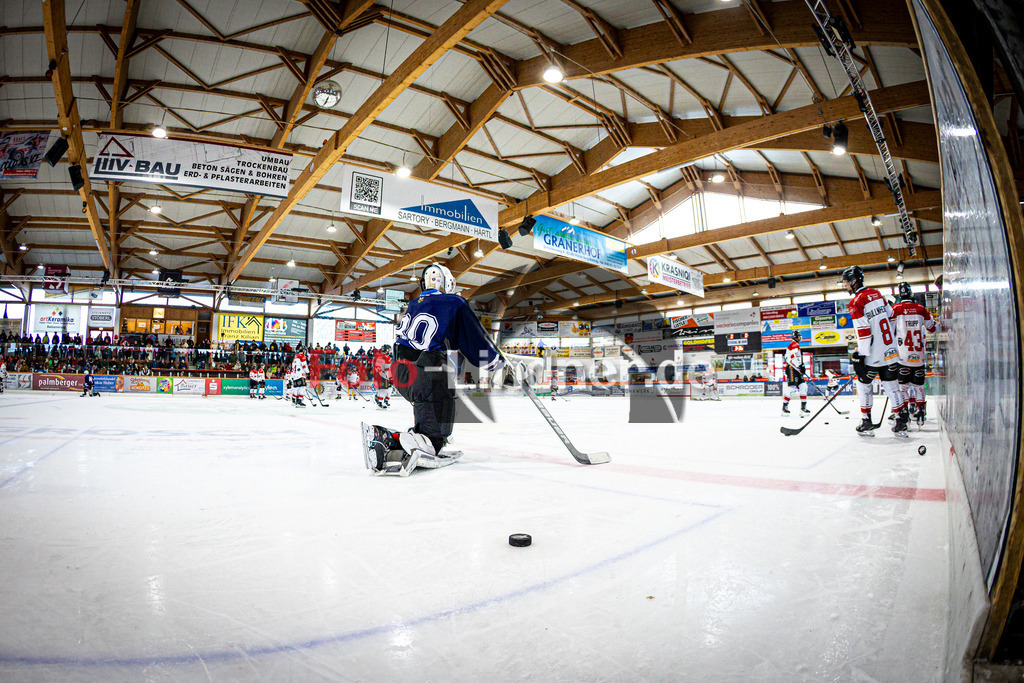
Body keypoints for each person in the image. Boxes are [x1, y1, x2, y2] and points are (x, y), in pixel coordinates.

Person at [362, 263, 507, 477]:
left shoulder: (414, 304)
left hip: (401, 371)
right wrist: (495, 361)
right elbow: (473, 338)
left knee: (427, 416)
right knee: (436, 434)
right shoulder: (454, 302)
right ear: (446, 283)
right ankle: (388, 438)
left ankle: (394, 445)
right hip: (428, 369)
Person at [841, 265, 909, 436]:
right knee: (892, 386)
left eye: (846, 282)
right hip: (889, 350)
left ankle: (866, 421)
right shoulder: (877, 294)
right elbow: (891, 315)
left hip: (873, 354)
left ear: (854, 281)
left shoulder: (855, 302)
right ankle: (901, 421)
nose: (845, 285)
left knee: (863, 385)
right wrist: (888, 341)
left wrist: (861, 355)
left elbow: (863, 331)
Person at [892, 281, 936, 425]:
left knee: (902, 387)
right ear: (911, 293)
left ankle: (904, 413)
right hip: (919, 356)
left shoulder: (895, 309)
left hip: (903, 357)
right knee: (919, 386)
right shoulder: (921, 309)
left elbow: (889, 329)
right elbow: (932, 328)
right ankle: (921, 411)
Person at [781, 331, 809, 416]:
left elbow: (796, 358)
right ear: (797, 337)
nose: (800, 338)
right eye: (799, 336)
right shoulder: (794, 344)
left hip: (796, 369)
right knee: (792, 388)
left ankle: (803, 408)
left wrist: (801, 366)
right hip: (792, 368)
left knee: (803, 386)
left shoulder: (795, 344)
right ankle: (784, 408)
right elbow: (794, 356)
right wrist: (800, 365)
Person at [372, 345, 392, 410]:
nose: (390, 351)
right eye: (389, 349)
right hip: (381, 376)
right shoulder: (380, 356)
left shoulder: (387, 357)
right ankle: (379, 402)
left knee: (389, 389)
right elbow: (378, 367)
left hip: (386, 375)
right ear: (386, 350)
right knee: (383, 389)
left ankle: (382, 400)